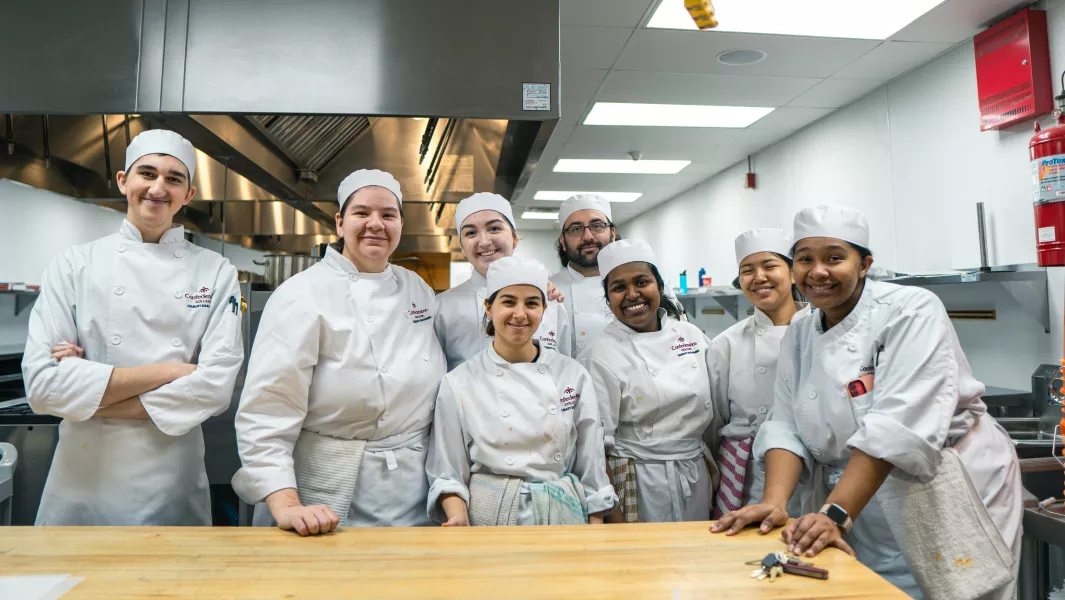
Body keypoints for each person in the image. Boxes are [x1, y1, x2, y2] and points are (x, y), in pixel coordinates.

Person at [711, 205, 1022, 599]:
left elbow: (897, 426)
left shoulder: (911, 309)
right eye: (805, 259)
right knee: (870, 589)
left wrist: (835, 513)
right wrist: (775, 502)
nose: (818, 271)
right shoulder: (802, 330)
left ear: (864, 265)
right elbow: (786, 423)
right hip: (856, 492)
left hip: (938, 486)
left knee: (955, 590)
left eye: (835, 258)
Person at [21, 130, 244, 526]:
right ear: (124, 181)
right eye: (148, 173)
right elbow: (42, 388)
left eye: (174, 178)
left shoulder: (215, 271)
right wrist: (173, 372)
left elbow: (214, 389)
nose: (158, 187)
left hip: (170, 483)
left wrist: (88, 395)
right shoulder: (75, 265)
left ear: (189, 195)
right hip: (83, 484)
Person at [231, 169, 446, 535]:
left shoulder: (417, 287)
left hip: (414, 485)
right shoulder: (301, 294)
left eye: (388, 215)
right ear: (340, 223)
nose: (375, 224)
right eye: (362, 213)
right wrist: (286, 504)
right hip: (325, 486)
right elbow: (268, 407)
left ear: (400, 225)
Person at [426, 256, 617, 526]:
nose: (520, 313)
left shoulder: (573, 375)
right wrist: (457, 516)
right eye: (508, 301)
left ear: (544, 309)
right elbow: (447, 471)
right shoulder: (459, 382)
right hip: (489, 516)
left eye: (531, 303)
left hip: (563, 515)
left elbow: (592, 467)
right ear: (489, 307)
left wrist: (595, 526)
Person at [579, 239, 717, 523]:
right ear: (608, 298)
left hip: (695, 471)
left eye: (642, 282)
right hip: (637, 478)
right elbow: (594, 447)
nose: (632, 294)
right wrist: (612, 513)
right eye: (618, 288)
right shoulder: (599, 353)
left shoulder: (690, 336)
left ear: (660, 286)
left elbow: (717, 413)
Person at [706, 229, 809, 518]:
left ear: (792, 273)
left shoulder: (820, 331)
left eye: (770, 266)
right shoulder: (726, 343)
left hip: (815, 472)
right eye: (747, 270)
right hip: (749, 475)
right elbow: (714, 422)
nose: (759, 277)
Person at [435, 192, 572, 371]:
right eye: (471, 233)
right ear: (462, 247)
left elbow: (565, 371)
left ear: (514, 238)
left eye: (494, 229)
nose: (484, 242)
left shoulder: (550, 302)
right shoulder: (443, 307)